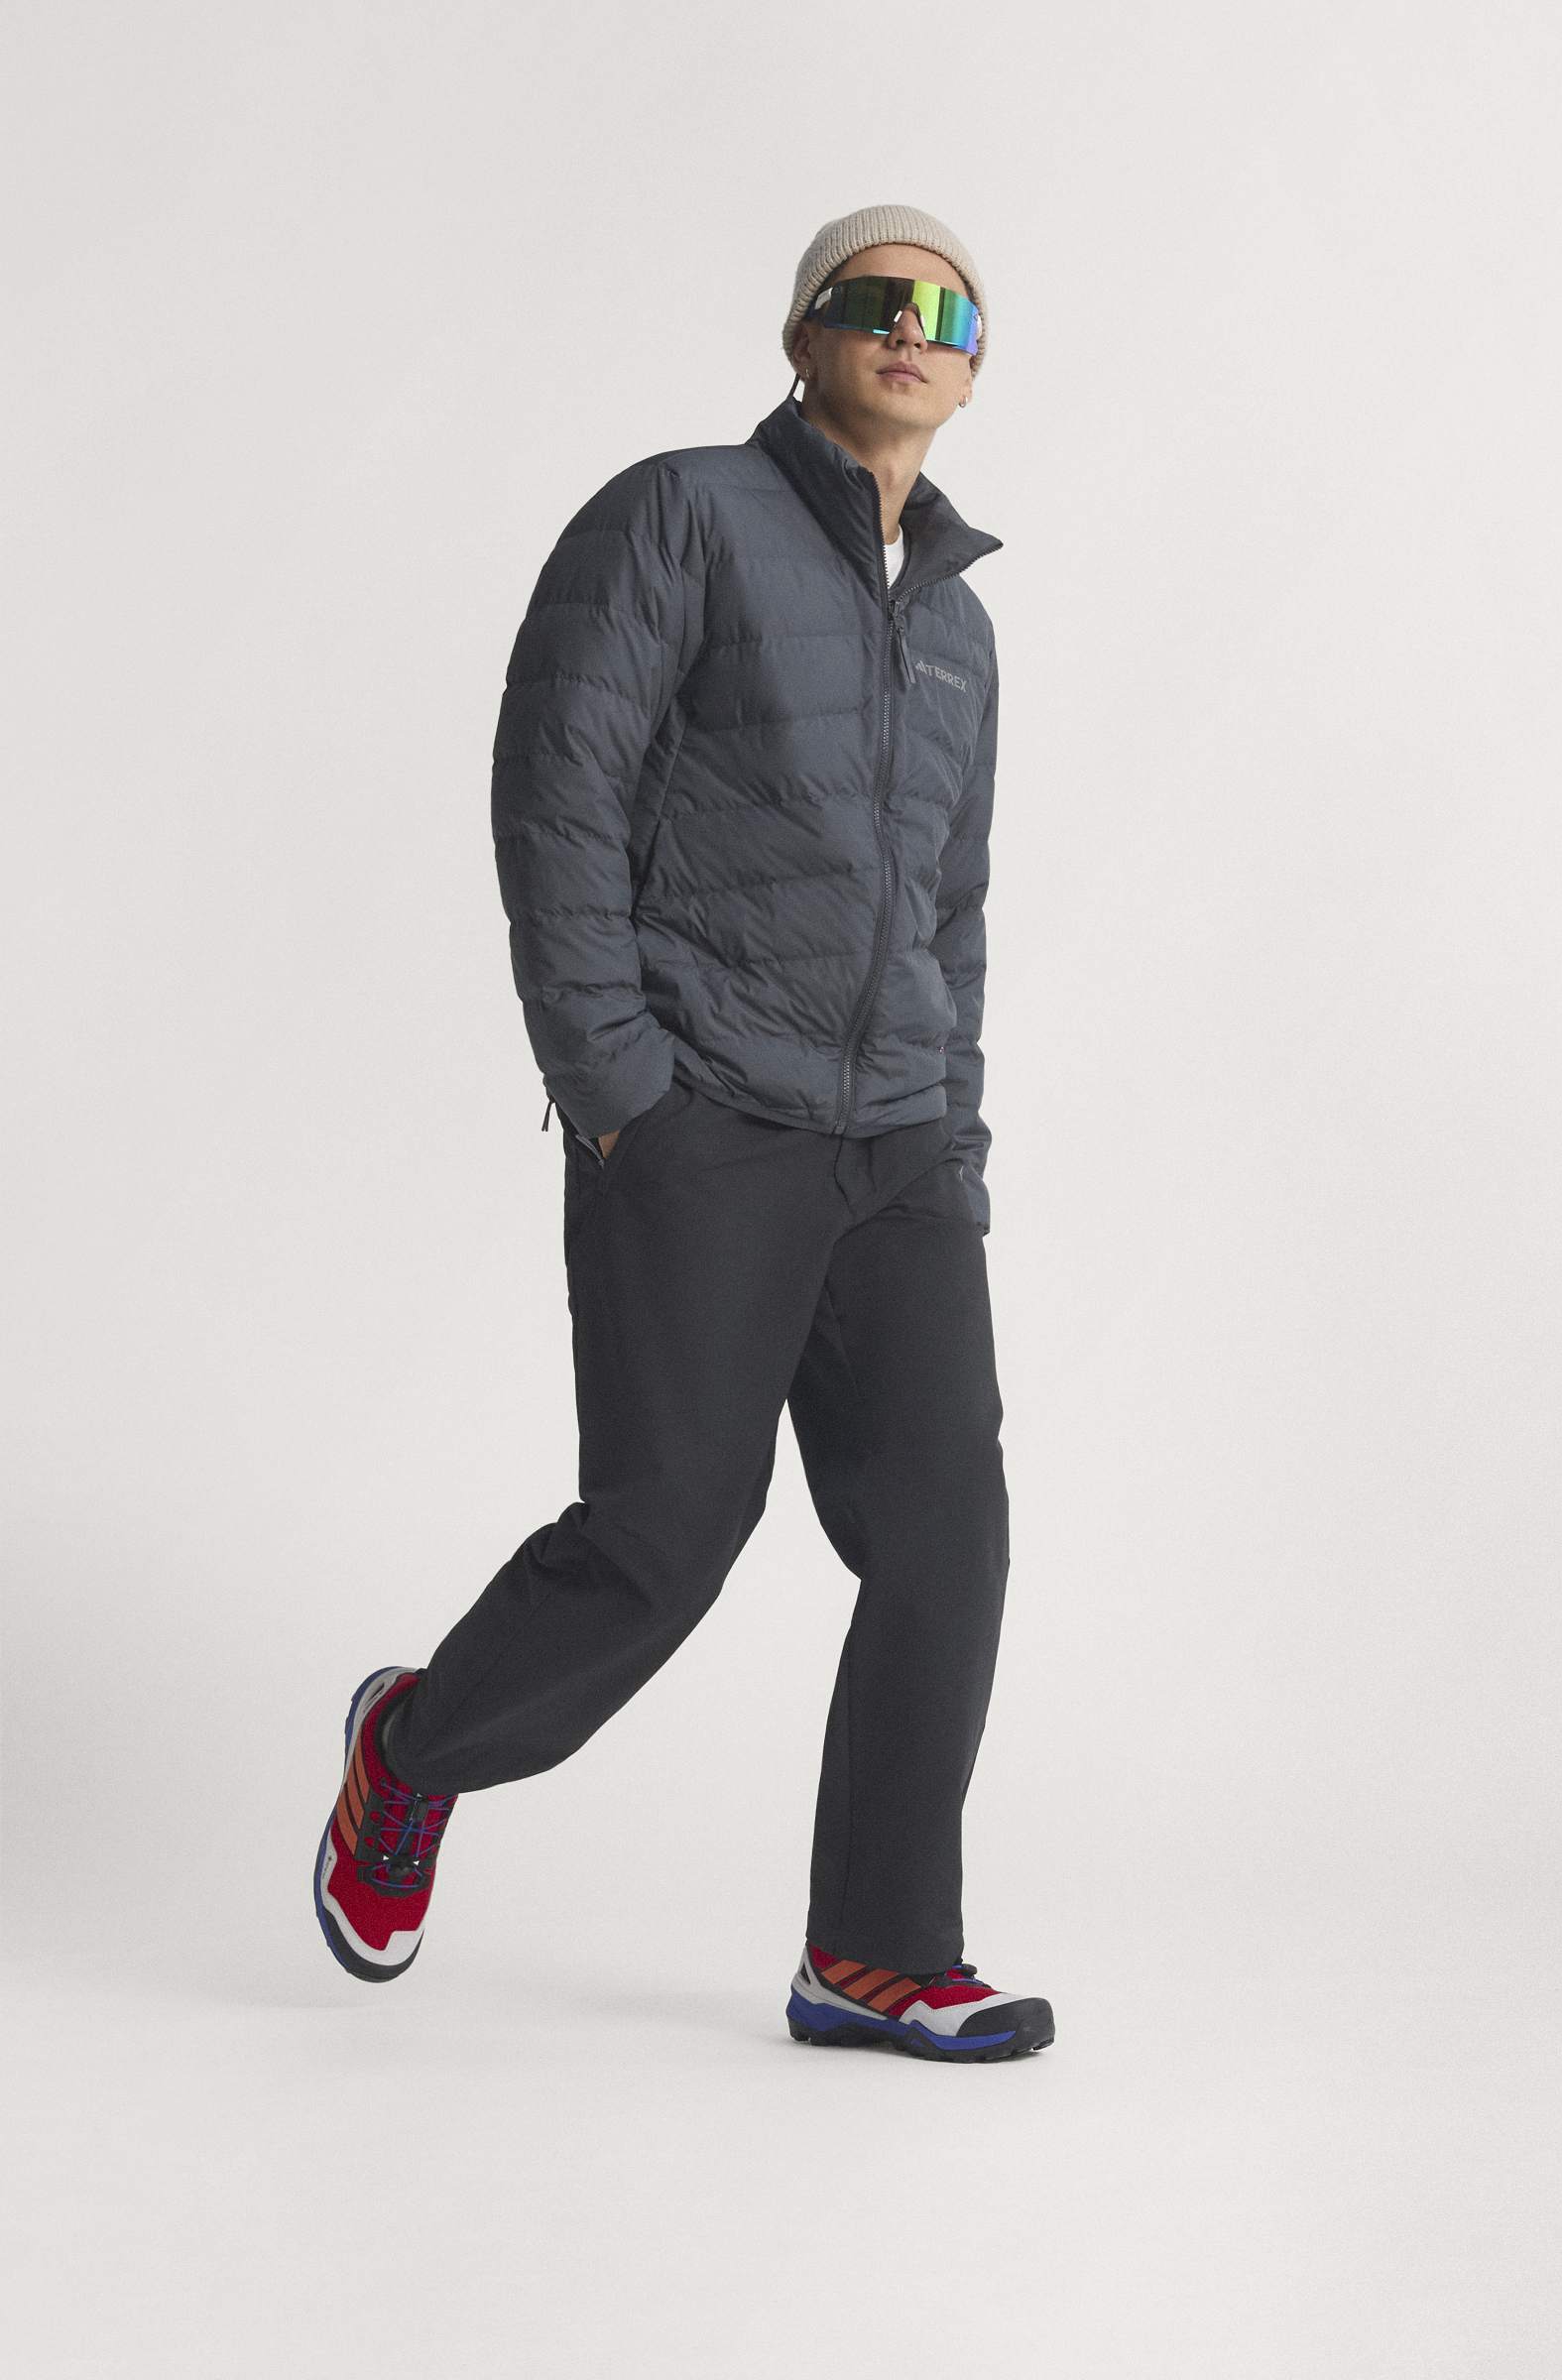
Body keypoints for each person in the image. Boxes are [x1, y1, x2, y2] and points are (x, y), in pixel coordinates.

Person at [309, 203, 1052, 2063]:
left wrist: (953, 1132)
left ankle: (874, 1953)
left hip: (897, 1150)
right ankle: (413, 1746)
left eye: (950, 310)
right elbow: (556, 782)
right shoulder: (679, 515)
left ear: (976, 370)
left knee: (949, 1540)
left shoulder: (963, 632)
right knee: (666, 1535)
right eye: (873, 297)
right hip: (704, 1109)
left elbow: (951, 909)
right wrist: (617, 1087)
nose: (913, 325)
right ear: (805, 334)